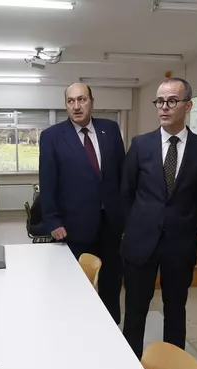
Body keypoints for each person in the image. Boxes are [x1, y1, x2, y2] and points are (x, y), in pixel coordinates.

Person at [121, 77, 197, 357]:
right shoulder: (141, 145)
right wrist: (133, 228)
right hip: (140, 242)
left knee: (175, 309)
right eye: (160, 101)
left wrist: (186, 229)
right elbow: (126, 192)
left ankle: (174, 368)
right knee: (135, 308)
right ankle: (131, 364)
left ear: (188, 105)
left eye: (172, 101)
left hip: (180, 244)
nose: (164, 107)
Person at [39, 83, 127, 322]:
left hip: (111, 225)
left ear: (91, 102)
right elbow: (48, 182)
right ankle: (77, 328)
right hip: (74, 227)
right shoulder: (52, 136)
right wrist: (53, 220)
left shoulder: (110, 129)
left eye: (82, 99)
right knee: (76, 286)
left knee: (111, 283)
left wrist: (126, 216)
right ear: (66, 105)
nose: (76, 106)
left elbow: (122, 175)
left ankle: (110, 328)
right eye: (71, 101)